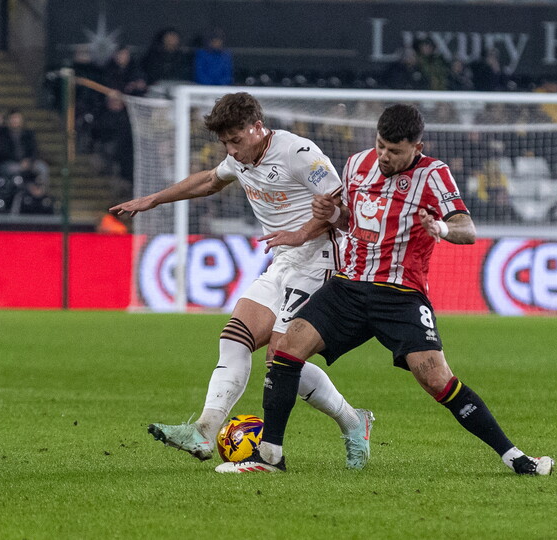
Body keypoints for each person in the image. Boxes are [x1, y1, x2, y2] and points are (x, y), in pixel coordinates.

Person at [215, 104, 554, 475]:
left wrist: (440, 229)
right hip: (350, 286)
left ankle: (516, 458)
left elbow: (467, 229)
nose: (384, 157)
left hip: (400, 295)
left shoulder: (433, 174)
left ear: (416, 147)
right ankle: (269, 458)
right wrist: (331, 214)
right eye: (381, 146)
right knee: (287, 349)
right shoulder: (357, 164)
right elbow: (349, 218)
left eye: (395, 151)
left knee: (437, 379)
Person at [109, 92, 374, 469]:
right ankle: (203, 429)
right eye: (225, 143)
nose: (231, 150)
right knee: (234, 339)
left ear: (257, 127)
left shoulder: (299, 153)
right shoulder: (240, 158)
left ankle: (345, 425)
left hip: (321, 260)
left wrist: (302, 233)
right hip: (283, 261)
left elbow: (341, 205)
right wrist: (152, 200)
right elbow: (207, 181)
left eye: (236, 140)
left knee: (280, 360)